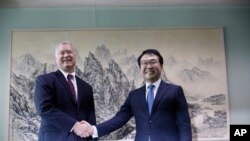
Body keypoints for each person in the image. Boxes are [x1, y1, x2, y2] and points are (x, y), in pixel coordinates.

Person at [83, 49, 192, 141]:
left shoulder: (175, 91)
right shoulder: (134, 95)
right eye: (144, 63)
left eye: (153, 62)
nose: (149, 66)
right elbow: (119, 119)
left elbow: (184, 125)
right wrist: (93, 130)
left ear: (161, 66)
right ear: (140, 68)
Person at [34, 41, 96, 141]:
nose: (66, 55)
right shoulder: (44, 80)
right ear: (56, 58)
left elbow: (91, 120)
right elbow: (44, 109)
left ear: (75, 56)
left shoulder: (87, 87)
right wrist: (75, 126)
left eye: (69, 52)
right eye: (62, 53)